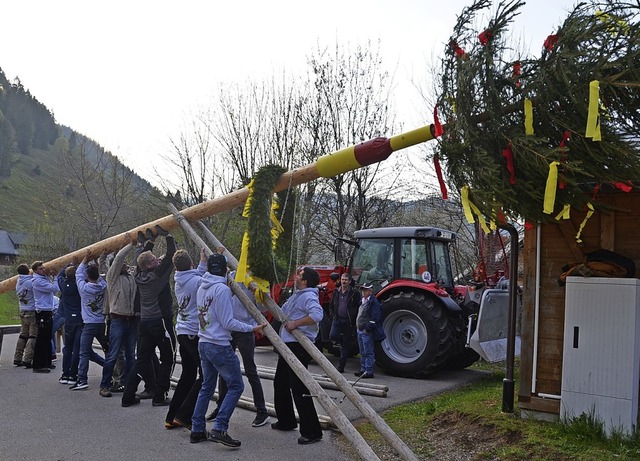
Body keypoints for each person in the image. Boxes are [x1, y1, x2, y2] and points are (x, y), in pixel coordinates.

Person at [190, 253, 266, 448]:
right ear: (225, 270)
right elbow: (228, 322)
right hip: (218, 344)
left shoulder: (202, 286)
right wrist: (251, 328)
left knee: (207, 386)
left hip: (204, 343)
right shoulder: (221, 290)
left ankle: (197, 429)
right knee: (236, 386)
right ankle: (220, 428)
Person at [206, 270, 270, 428]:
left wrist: (258, 294)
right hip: (228, 328)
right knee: (224, 369)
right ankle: (221, 406)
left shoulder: (257, 280)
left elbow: (263, 309)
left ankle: (262, 411)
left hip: (245, 329)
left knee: (250, 370)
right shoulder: (231, 275)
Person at [121, 225, 176, 407]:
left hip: (145, 323)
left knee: (142, 359)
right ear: (149, 265)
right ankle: (159, 396)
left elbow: (142, 259)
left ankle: (128, 396)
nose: (157, 261)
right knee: (168, 358)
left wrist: (151, 241)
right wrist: (167, 235)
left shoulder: (138, 274)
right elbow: (171, 256)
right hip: (160, 323)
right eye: (154, 260)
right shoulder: (158, 276)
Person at [271, 267, 324, 445]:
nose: (296, 277)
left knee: (299, 388)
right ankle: (286, 421)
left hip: (297, 346)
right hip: (287, 345)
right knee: (280, 383)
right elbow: (281, 312)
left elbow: (317, 315)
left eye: (299, 275)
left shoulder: (309, 296)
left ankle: (312, 431)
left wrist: (296, 323)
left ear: (305, 281)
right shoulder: (297, 295)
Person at [164, 247, 207, 429]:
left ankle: (172, 416)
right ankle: (184, 414)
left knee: (188, 374)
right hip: (193, 333)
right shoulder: (196, 281)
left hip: (182, 331)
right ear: (191, 263)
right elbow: (205, 281)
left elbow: (198, 275)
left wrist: (203, 262)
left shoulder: (180, 279)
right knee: (206, 374)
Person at [98, 234, 139, 398]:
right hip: (118, 320)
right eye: (123, 262)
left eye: (127, 263)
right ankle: (104, 385)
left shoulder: (132, 277)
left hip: (132, 320)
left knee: (131, 355)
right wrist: (129, 245)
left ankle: (127, 385)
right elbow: (117, 260)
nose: (125, 264)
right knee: (113, 354)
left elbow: (141, 262)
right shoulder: (112, 278)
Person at [73, 250, 108, 390]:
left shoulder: (84, 289)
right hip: (101, 323)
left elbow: (78, 275)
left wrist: (84, 260)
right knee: (109, 350)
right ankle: (113, 373)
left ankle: (82, 379)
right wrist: (95, 263)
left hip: (88, 324)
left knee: (84, 352)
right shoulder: (103, 287)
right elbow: (98, 278)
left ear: (88, 276)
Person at [329, 272, 361, 373]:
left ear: (350, 281)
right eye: (342, 279)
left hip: (348, 321)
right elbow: (331, 305)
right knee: (333, 336)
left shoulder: (354, 293)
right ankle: (340, 340)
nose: (344, 281)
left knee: (345, 345)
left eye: (346, 280)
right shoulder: (336, 292)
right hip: (337, 319)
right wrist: (333, 315)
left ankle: (341, 366)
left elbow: (358, 306)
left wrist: (353, 318)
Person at [31, 261, 59, 373]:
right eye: (41, 269)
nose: (44, 270)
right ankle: (38, 365)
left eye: (44, 268)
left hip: (47, 311)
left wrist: (49, 274)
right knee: (41, 339)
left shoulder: (43, 278)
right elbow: (54, 288)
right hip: (42, 311)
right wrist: (56, 276)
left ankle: (47, 361)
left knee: (47, 337)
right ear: (36, 270)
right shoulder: (37, 281)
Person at [57, 264, 83, 385]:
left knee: (67, 348)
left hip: (68, 320)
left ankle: (65, 374)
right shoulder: (79, 285)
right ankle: (73, 375)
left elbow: (59, 275)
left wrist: (67, 265)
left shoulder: (62, 285)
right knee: (76, 348)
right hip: (79, 319)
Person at [353, 283, 385, 379]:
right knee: (362, 351)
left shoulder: (374, 303)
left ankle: (369, 371)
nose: (363, 292)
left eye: (365, 290)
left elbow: (375, 318)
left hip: (366, 331)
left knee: (368, 352)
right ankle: (363, 369)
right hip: (360, 329)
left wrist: (368, 328)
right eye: (363, 290)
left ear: (370, 291)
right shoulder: (362, 301)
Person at [13, 264, 37, 368]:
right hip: (31, 311)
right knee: (32, 335)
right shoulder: (30, 282)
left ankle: (17, 357)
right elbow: (37, 285)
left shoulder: (18, 282)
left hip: (22, 310)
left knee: (23, 335)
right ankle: (27, 359)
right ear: (28, 271)